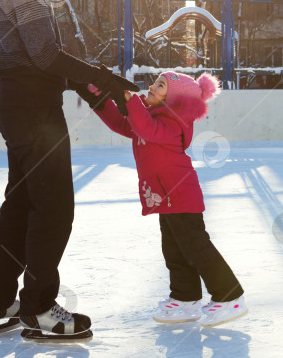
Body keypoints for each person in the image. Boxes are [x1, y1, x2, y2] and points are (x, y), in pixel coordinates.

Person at [0, 0, 138, 341]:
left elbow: (37, 57)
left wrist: (90, 86)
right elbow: (46, 55)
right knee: (55, 209)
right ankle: (41, 309)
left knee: (21, 206)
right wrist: (101, 77)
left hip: (15, 104)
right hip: (35, 112)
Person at [76, 72, 247, 328]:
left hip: (180, 194)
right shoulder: (151, 116)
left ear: (174, 98)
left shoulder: (175, 123)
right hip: (167, 197)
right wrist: (99, 98)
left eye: (161, 85)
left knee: (196, 247)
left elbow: (145, 128)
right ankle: (185, 298)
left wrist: (128, 99)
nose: (152, 87)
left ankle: (230, 296)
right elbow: (122, 125)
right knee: (174, 250)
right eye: (156, 82)